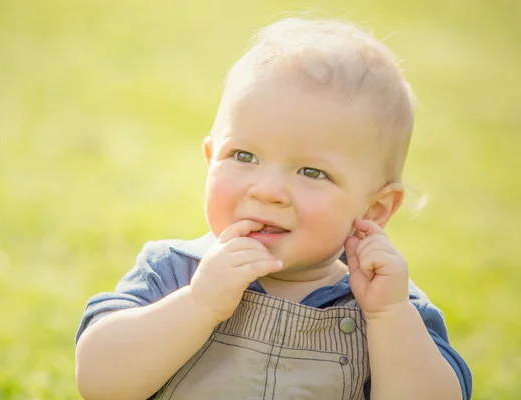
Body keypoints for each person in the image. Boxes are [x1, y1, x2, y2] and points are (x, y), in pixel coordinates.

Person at [75, 17, 472, 400]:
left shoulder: (390, 305)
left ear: (373, 209)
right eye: (243, 155)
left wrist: (389, 316)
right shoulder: (175, 271)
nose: (267, 191)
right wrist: (198, 304)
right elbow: (98, 381)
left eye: (312, 172)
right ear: (211, 159)